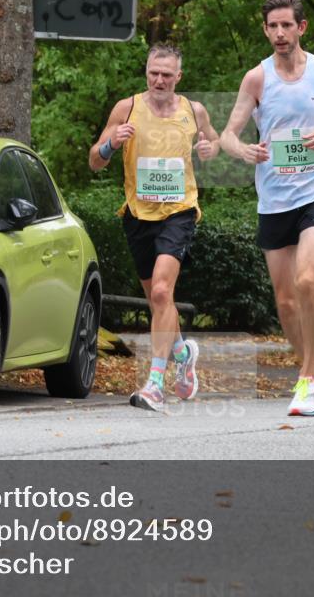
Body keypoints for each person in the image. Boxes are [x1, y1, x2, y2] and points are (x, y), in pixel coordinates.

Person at [219, 0, 314, 417]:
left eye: (287, 25)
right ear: (265, 30)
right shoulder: (257, 79)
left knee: (306, 280)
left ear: (301, 28)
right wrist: (242, 151)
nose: (280, 33)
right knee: (285, 300)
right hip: (275, 196)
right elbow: (230, 133)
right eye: (273, 27)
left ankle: (305, 379)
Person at [89, 43, 220, 412]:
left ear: (179, 76)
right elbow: (94, 161)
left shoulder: (194, 111)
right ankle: (182, 352)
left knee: (163, 291)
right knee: (156, 299)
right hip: (137, 214)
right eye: (153, 73)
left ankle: (155, 383)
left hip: (179, 211)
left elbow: (213, 142)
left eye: (166, 74)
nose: (159, 80)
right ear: (146, 72)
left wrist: (211, 149)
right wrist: (111, 145)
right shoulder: (126, 108)